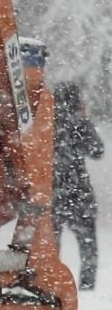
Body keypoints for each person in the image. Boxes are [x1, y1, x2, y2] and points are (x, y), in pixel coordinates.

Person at [52, 82, 104, 290]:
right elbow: (97, 150)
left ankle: (52, 283)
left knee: (50, 244)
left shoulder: (48, 121)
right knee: (87, 242)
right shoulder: (79, 123)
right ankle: (87, 285)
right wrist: (84, 122)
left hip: (52, 192)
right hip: (78, 192)